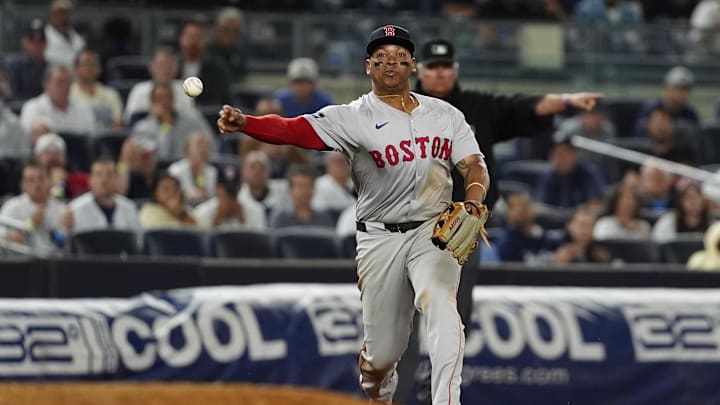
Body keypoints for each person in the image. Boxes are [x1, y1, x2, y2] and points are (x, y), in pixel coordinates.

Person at [218, 25, 490, 405]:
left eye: (399, 57)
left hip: (434, 232)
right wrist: (248, 123)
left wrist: (474, 200)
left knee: (443, 305)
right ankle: (379, 393)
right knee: (383, 356)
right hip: (379, 238)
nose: (391, 64)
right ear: (368, 67)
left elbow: (474, 166)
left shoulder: (445, 115)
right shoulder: (353, 116)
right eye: (381, 58)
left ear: (413, 64)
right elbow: (295, 130)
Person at [411, 37, 601, 405]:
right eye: (433, 67)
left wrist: (564, 100)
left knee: (453, 312)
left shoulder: (477, 107)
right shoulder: (401, 109)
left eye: (446, 66)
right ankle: (398, 385)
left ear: (455, 70)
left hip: (461, 228)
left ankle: (437, 387)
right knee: (403, 310)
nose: (440, 73)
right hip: (410, 223)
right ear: (420, 70)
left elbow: (525, 108)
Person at [132, 82, 214, 161]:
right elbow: (162, 157)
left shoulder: (192, 120)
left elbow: (211, 143)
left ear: (173, 99)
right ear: (152, 103)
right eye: (159, 99)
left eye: (168, 98)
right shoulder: (143, 128)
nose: (164, 103)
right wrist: (166, 125)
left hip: (190, 168)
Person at [0, 161, 66, 256]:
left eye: (41, 178)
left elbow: (62, 244)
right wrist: (31, 224)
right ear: (23, 185)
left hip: (54, 264)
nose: (37, 184)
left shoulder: (61, 209)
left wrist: (58, 232)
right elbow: (2, 244)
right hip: (21, 263)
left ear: (49, 181)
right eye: (30, 180)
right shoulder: (12, 206)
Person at [19, 65, 96, 140]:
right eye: (59, 82)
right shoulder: (32, 107)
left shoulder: (83, 107)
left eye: (68, 83)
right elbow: (26, 141)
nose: (64, 87)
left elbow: (91, 137)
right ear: (46, 84)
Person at [64, 158, 141, 233]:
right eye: (98, 175)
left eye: (109, 175)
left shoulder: (129, 208)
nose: (104, 180)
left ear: (116, 179)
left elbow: (138, 241)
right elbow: (63, 242)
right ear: (91, 180)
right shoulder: (75, 209)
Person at [124, 47, 195, 124]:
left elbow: (191, 121)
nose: (165, 70)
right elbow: (129, 121)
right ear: (151, 68)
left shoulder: (185, 89)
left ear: (176, 69)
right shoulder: (139, 90)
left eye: (169, 66)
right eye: (161, 65)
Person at [534, 135, 607, 208]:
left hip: (581, 218)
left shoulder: (588, 173)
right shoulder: (547, 176)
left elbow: (596, 205)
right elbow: (541, 206)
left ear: (574, 154)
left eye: (566, 153)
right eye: (558, 154)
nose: (562, 159)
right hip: (552, 218)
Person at [634, 66, 700, 136]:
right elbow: (637, 133)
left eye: (686, 89)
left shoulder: (689, 113)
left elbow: (697, 135)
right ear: (666, 88)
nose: (681, 93)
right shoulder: (652, 108)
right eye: (677, 88)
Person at [177, 19, 230, 105]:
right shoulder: (171, 66)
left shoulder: (217, 70)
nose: (193, 42)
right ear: (181, 39)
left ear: (204, 41)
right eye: (190, 37)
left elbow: (221, 100)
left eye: (198, 37)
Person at [70, 48, 124, 129]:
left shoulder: (111, 94)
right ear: (76, 69)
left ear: (100, 68)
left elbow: (118, 125)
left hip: (105, 139)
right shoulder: (68, 93)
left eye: (93, 64)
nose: (89, 68)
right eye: (85, 64)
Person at [269, 164, 335, 229]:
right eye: (300, 186)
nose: (305, 191)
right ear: (290, 190)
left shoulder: (324, 219)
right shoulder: (281, 218)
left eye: (308, 186)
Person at [193, 174, 265, 230]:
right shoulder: (203, 212)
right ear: (217, 189)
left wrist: (242, 220)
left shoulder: (255, 210)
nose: (229, 198)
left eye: (232, 193)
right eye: (227, 192)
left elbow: (258, 244)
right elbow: (203, 245)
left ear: (239, 188)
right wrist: (218, 218)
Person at [496, 191, 548, 262]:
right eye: (517, 205)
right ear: (509, 213)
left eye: (526, 204)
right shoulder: (507, 242)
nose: (522, 208)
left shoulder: (543, 235)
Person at [167, 131, 217, 206]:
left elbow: (209, 196)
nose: (203, 149)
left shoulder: (212, 171)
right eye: (199, 144)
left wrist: (200, 175)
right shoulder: (175, 170)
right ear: (187, 149)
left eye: (206, 145)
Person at [4, 18, 48, 101]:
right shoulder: (12, 64)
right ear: (24, 42)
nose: (37, 43)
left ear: (46, 43)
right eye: (32, 38)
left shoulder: (50, 66)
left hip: (44, 110)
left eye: (41, 39)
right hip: (17, 110)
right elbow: (10, 95)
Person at [206, 7, 248, 82]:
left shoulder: (240, 53)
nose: (230, 35)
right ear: (217, 28)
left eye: (235, 31)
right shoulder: (205, 51)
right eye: (226, 30)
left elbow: (242, 77)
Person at [311, 150, 355, 219]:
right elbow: (319, 210)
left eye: (344, 161)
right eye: (336, 162)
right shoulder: (319, 185)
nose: (341, 165)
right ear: (327, 165)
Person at [44, 0, 86, 67]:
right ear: (51, 14)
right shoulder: (43, 36)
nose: (63, 16)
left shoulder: (78, 37)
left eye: (66, 13)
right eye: (60, 12)